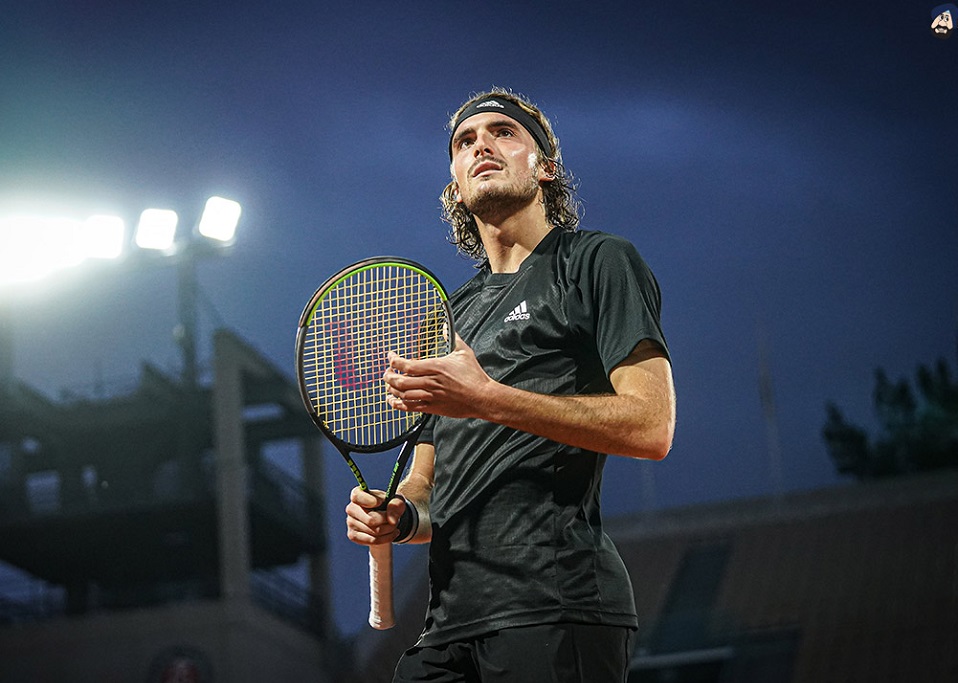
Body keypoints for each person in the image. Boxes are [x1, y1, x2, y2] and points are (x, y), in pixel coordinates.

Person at [345, 88, 676, 682]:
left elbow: (652, 427)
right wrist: (400, 517)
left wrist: (487, 399)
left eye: (503, 133)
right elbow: (426, 486)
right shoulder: (446, 317)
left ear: (544, 167)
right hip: (447, 625)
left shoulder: (596, 261)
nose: (481, 146)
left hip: (557, 605)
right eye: (464, 142)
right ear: (455, 186)